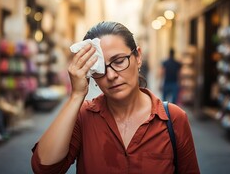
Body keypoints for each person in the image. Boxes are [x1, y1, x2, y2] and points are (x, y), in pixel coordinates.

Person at [31, 21, 200, 174]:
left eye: (119, 61)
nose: (110, 75)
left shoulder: (173, 119)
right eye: (100, 69)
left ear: (138, 57)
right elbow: (44, 168)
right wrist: (76, 95)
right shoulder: (83, 117)